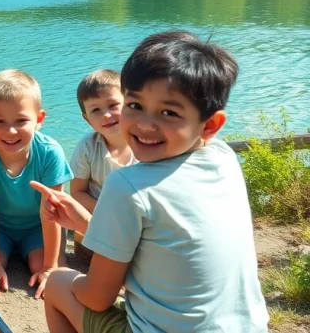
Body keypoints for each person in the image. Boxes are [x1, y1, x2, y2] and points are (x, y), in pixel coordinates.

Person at [37, 31, 268, 333]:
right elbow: (166, 248)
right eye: (135, 105)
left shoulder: (127, 184)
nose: (145, 124)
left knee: (56, 283)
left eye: (168, 112)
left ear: (210, 124)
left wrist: (78, 281)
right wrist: (88, 225)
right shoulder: (223, 158)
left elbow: (96, 298)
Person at [0, 69, 73, 299]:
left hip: (38, 227)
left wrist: (50, 267)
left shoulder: (50, 152)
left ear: (39, 119)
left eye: (21, 121)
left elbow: (52, 212)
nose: (10, 131)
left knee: (49, 272)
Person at [68, 70, 136, 257]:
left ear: (130, 103)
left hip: (137, 219)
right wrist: (109, 213)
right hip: (98, 218)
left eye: (113, 105)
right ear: (86, 118)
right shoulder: (87, 147)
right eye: (95, 110)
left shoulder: (146, 143)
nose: (106, 115)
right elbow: (77, 192)